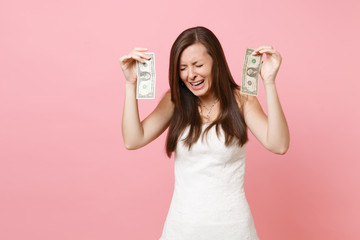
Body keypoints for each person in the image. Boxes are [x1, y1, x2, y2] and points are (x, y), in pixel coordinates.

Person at [120, 26, 289, 240]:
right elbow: (133, 140)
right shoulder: (175, 101)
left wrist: (269, 83)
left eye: (198, 65)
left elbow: (279, 144)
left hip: (233, 228)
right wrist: (130, 84)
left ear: (215, 62)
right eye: (182, 68)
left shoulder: (242, 100)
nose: (191, 75)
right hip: (182, 228)